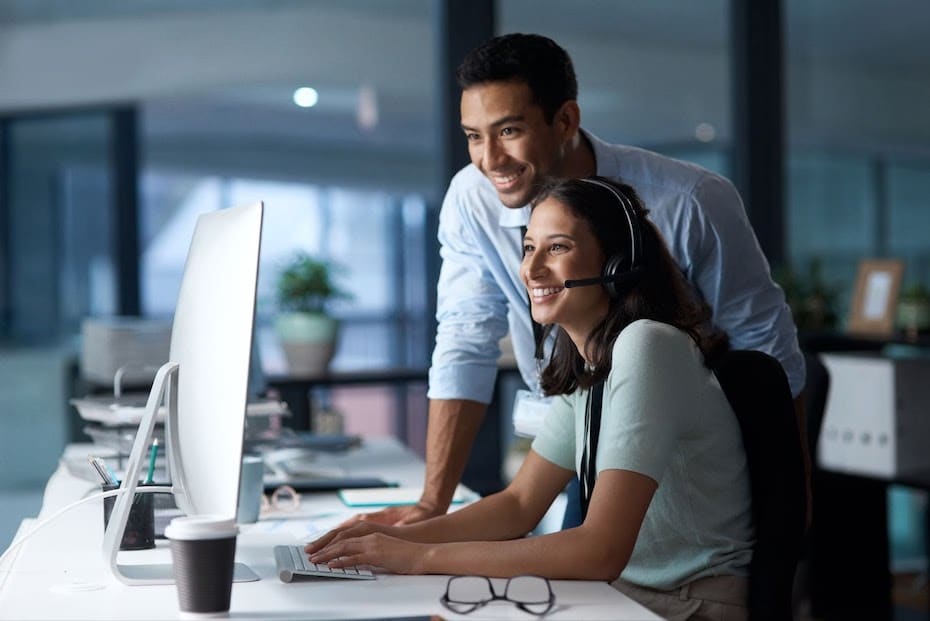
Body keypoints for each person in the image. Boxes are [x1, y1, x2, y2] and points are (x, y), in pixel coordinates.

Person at [360, 32, 804, 527]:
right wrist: (430, 506)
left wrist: (788, 510)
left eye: (508, 131)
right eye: (473, 136)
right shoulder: (472, 198)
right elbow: (466, 339)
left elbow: (768, 354)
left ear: (566, 120)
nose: (490, 160)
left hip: (688, 459)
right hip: (579, 431)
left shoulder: (690, 201)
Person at [308, 177, 753, 621]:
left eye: (557, 248)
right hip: (620, 597)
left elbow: (600, 550)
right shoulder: (591, 364)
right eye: (528, 248)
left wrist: (418, 559)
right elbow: (519, 504)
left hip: (684, 606)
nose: (532, 269)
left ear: (618, 263)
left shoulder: (648, 345)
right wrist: (402, 539)